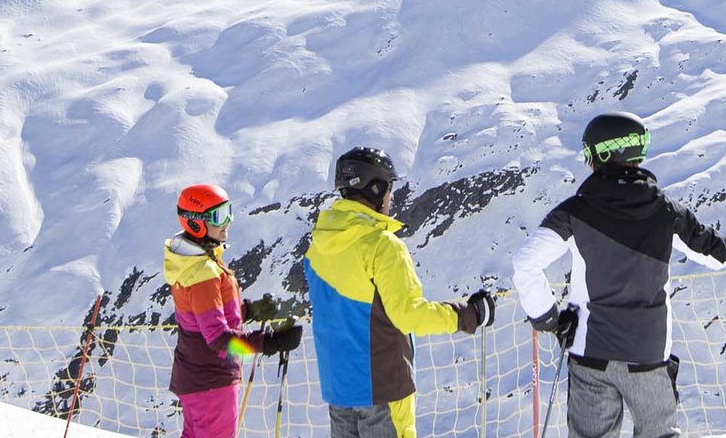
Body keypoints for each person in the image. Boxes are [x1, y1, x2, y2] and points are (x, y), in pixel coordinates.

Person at [511, 112, 726, 438]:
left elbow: (525, 263)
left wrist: (550, 320)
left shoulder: (575, 212)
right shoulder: (666, 211)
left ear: (601, 155)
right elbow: (716, 252)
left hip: (591, 355)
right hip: (647, 355)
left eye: (588, 154)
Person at [304, 147, 497, 438]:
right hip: (382, 386)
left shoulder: (317, 246)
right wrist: (468, 315)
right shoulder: (382, 245)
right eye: (389, 187)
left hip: (339, 388)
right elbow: (409, 315)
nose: (391, 196)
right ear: (376, 188)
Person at [164, 183, 302, 438]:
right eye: (219, 216)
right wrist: (271, 343)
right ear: (196, 223)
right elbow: (220, 340)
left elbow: (204, 315)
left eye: (229, 211)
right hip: (211, 382)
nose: (227, 222)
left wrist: (249, 310)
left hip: (196, 378)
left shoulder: (192, 263)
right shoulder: (203, 272)